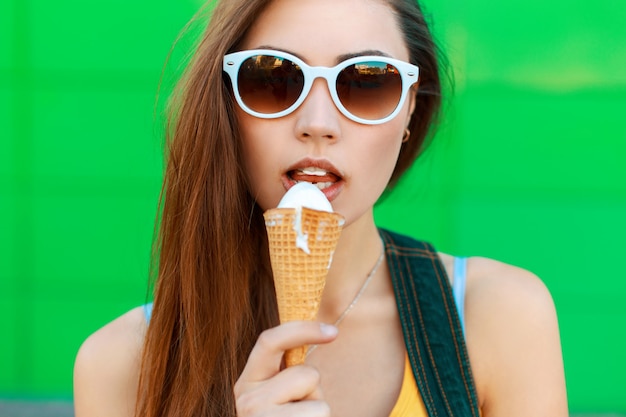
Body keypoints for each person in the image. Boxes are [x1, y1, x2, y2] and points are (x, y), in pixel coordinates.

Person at [73, 0, 568, 415]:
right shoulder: (124, 365)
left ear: (410, 107)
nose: (317, 122)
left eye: (367, 83)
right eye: (273, 77)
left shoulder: (497, 318)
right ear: (225, 102)